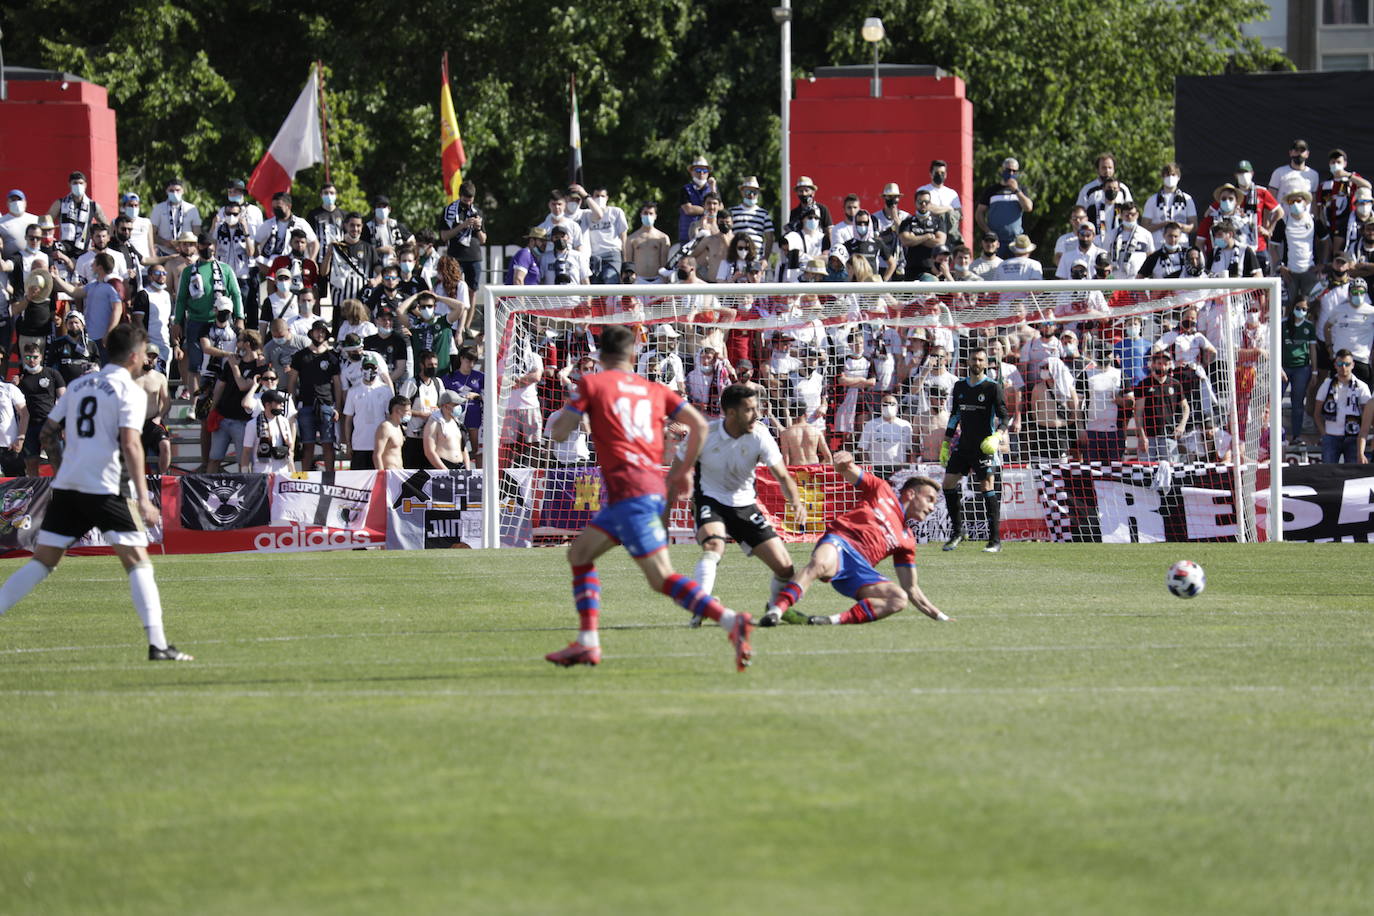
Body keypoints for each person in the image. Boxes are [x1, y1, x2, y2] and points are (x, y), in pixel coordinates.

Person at [543, 325, 755, 671]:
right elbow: (699, 425)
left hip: (630, 492)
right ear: (634, 355)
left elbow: (559, 432)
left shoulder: (593, 384)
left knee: (656, 576)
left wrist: (577, 407)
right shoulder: (653, 389)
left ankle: (730, 621)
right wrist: (684, 469)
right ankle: (588, 642)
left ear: (600, 357)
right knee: (589, 556)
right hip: (649, 487)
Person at [0, 323, 192, 661]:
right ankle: (158, 644)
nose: (147, 359)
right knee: (138, 562)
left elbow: (47, 434)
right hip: (105, 485)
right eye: (145, 353)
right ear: (134, 356)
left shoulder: (79, 385)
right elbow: (132, 443)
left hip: (70, 483)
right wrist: (144, 498)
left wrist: (62, 470)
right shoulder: (128, 390)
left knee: (43, 561)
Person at [669, 384, 806, 626]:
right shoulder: (703, 434)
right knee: (713, 546)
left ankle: (775, 610)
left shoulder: (761, 435)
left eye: (756, 408)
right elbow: (675, 474)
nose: (756, 414)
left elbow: (783, 476)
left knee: (785, 568)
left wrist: (795, 500)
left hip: (744, 506)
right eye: (749, 409)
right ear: (731, 413)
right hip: (710, 500)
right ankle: (701, 605)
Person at [762, 451, 948, 627]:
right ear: (911, 494)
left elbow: (911, 589)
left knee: (898, 598)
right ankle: (776, 610)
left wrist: (941, 617)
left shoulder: (907, 540)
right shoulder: (882, 489)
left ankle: (829, 621)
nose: (932, 507)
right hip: (840, 543)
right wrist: (846, 460)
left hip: (859, 570)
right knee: (818, 564)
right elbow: (847, 469)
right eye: (929, 499)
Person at [939, 347, 1009, 553]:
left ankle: (995, 540)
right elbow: (954, 415)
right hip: (963, 446)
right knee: (948, 484)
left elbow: (1005, 417)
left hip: (983, 447)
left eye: (980, 360)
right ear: (968, 362)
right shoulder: (959, 386)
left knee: (987, 487)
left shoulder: (992, 387)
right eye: (973, 359)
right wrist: (945, 443)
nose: (977, 363)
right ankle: (958, 532)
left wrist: (997, 436)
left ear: (986, 363)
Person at [286, 320, 342, 471]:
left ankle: (330, 479)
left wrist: (338, 407)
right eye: (318, 331)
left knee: (328, 445)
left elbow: (337, 384)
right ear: (311, 333)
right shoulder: (300, 355)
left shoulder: (332, 357)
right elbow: (292, 381)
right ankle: (305, 479)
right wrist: (291, 405)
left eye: (323, 332)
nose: (320, 334)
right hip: (306, 405)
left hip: (327, 405)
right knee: (307, 445)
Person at [1128, 350, 1190, 462]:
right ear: (1153, 364)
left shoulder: (1175, 384)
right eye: (1160, 363)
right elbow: (1138, 412)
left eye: (1165, 364)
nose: (1163, 367)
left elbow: (1186, 408)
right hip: (1148, 437)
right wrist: (1142, 436)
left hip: (1169, 435)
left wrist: (1182, 426)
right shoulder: (1144, 384)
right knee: (1145, 471)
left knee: (1170, 471)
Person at [1313, 349, 1372, 464]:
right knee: (1328, 473)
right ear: (1335, 365)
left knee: (1353, 475)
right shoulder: (1327, 385)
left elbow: (1367, 415)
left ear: (1353, 365)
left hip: (1354, 436)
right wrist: (1324, 434)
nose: (1343, 367)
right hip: (1331, 436)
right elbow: (1317, 413)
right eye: (1340, 364)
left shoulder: (1362, 387)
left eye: (1347, 364)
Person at [17, 343, 65, 476]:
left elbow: (64, 399)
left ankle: (60, 494)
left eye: (34, 357)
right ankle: (35, 494)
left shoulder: (52, 373)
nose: (31, 360)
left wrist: (63, 424)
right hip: (29, 426)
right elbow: (17, 405)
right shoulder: (21, 378)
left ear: (41, 357)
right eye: (27, 357)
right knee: (31, 464)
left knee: (57, 462)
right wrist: (15, 385)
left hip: (49, 424)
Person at [342, 352, 393, 469]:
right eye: (366, 367)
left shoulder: (385, 390)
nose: (370, 370)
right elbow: (348, 420)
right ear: (361, 369)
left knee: (379, 482)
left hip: (380, 446)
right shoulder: (353, 391)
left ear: (377, 369)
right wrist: (348, 444)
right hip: (359, 445)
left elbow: (389, 418)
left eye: (373, 367)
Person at [976, 157, 1033, 257]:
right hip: (995, 240)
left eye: (1014, 171)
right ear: (1002, 170)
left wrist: (1016, 190)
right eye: (1008, 170)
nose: (1011, 173)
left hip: (1015, 240)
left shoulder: (1021, 189)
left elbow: (1028, 207)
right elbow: (979, 212)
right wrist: (987, 230)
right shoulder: (992, 190)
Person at [135, 344, 172, 475]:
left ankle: (163, 478)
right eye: (148, 355)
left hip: (152, 421)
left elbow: (167, 401)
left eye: (154, 357)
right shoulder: (131, 374)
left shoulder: (160, 377)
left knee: (165, 446)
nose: (150, 359)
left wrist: (159, 417)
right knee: (136, 458)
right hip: (134, 423)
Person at [242, 388, 296, 474]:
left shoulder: (284, 421)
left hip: (283, 473)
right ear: (267, 405)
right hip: (262, 473)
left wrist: (293, 472)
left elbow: (290, 450)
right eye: (278, 403)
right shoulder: (252, 424)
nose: (282, 405)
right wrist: (244, 474)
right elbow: (246, 451)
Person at [424, 389, 469, 469]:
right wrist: (445, 471)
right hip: (443, 468)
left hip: (460, 468)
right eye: (455, 404)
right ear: (445, 406)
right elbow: (429, 451)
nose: (458, 407)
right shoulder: (434, 422)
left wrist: (467, 469)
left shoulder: (457, 423)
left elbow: (463, 448)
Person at [374, 394, 409, 470]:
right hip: (388, 472)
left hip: (399, 471)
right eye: (406, 411)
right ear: (397, 411)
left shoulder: (399, 427)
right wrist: (382, 475)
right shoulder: (385, 427)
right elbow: (377, 455)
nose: (409, 414)